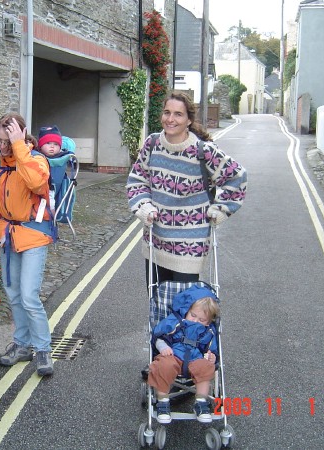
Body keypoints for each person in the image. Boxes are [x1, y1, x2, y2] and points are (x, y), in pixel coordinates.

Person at [126, 91, 247, 287]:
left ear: (189, 120)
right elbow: (137, 180)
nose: (170, 119)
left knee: (186, 309)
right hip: (155, 242)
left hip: (190, 247)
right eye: (167, 112)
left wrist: (220, 209)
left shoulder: (203, 151)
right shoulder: (152, 144)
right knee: (158, 305)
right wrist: (144, 207)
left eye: (178, 114)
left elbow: (237, 176)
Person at [0, 113, 54, 377]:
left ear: (20, 137)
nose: (2, 147)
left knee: (28, 296)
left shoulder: (36, 159)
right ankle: (22, 345)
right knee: (13, 294)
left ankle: (43, 349)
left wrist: (20, 146)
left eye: (7, 142)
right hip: (7, 234)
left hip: (33, 234)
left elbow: (37, 183)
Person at [148, 285, 220, 424]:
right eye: (193, 315)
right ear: (187, 310)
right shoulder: (174, 321)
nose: (195, 321)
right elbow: (158, 336)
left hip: (196, 358)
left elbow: (212, 349)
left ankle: (201, 402)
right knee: (164, 364)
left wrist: (212, 357)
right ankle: (162, 402)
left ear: (209, 321)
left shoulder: (209, 331)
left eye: (202, 320)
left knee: (206, 367)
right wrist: (163, 348)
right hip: (173, 354)